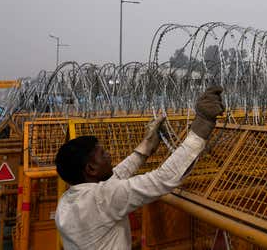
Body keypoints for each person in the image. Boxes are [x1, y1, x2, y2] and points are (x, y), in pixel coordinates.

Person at [55, 86, 225, 250]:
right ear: (91, 169)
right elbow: (162, 179)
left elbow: (117, 176)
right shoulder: (102, 199)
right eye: (102, 153)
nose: (109, 156)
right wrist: (202, 124)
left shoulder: (67, 203)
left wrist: (145, 147)